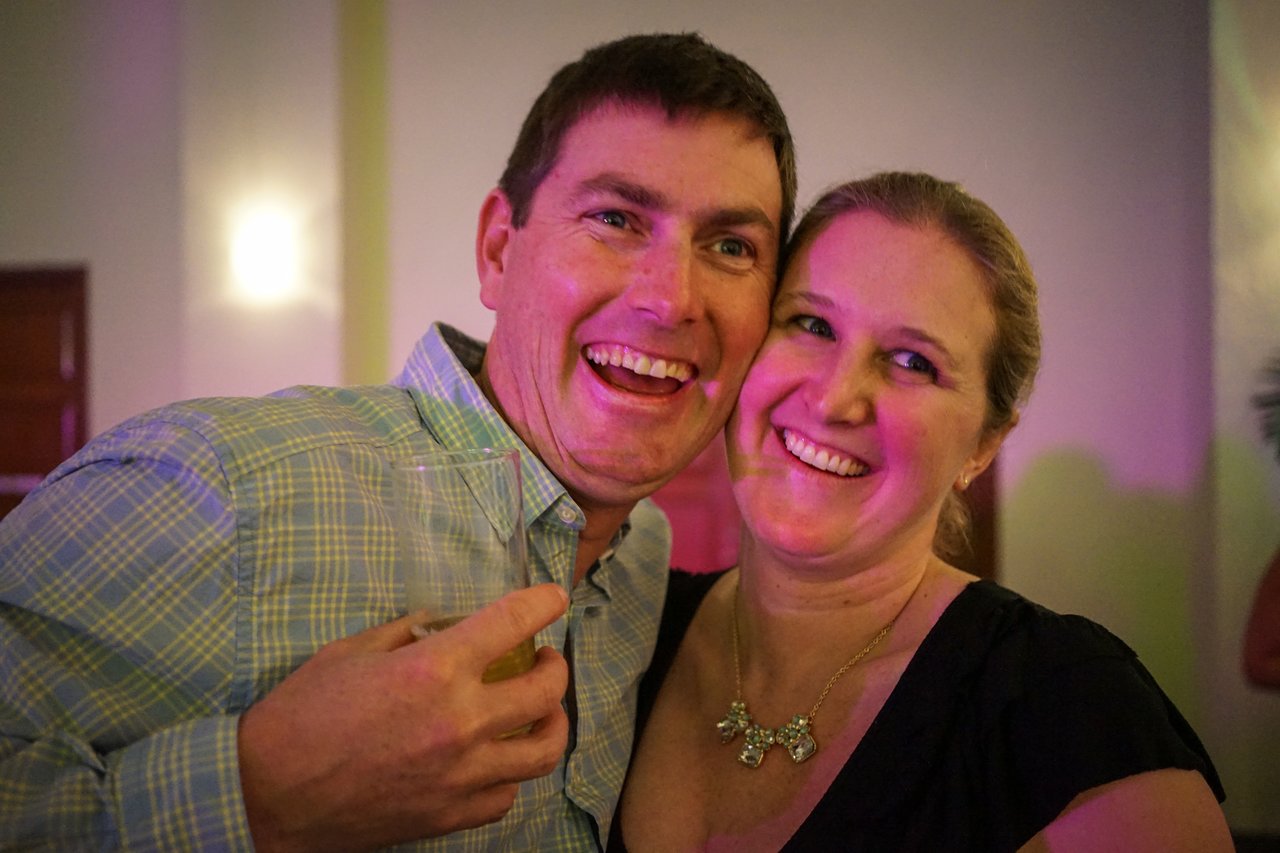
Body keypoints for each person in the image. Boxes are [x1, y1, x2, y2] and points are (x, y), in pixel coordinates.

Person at [0, 33, 795, 851]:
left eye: (731, 246)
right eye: (616, 219)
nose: (671, 298)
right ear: (497, 249)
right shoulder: (217, 487)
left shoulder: (642, 560)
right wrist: (259, 792)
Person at [614, 172, 1232, 851]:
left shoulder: (1066, 711)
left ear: (984, 444)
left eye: (913, 361)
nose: (833, 399)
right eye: (812, 324)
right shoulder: (619, 634)